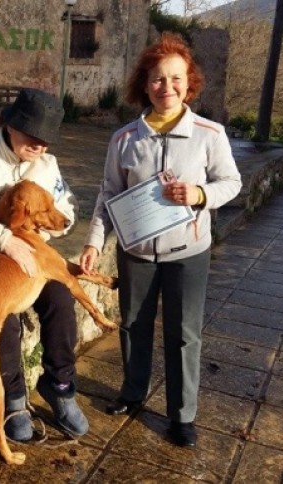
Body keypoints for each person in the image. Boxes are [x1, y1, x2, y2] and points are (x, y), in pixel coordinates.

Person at [79, 32, 242, 448]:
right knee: (133, 325)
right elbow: (109, 195)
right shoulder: (124, 139)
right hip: (135, 252)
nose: (166, 87)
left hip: (189, 252)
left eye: (175, 78)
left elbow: (231, 182)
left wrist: (201, 195)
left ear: (189, 82)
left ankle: (182, 415)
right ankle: (132, 394)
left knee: (184, 332)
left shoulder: (210, 134)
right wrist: (96, 242)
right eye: (157, 79)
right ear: (144, 84)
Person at [0, 88, 87, 441]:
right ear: (9, 123)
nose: (39, 146)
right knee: (3, 324)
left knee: (61, 300)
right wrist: (5, 239)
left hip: (29, 260)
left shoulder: (46, 165)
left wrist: (43, 229)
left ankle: (60, 384)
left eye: (46, 140)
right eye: (32, 136)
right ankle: (14, 402)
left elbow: (66, 209)